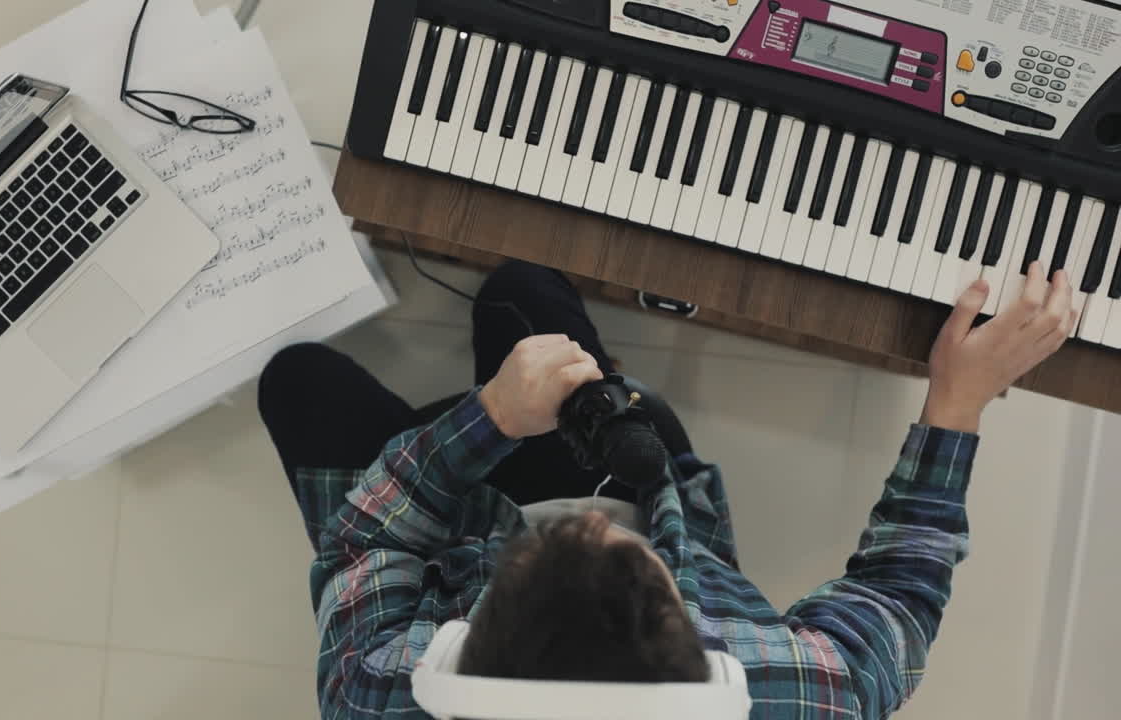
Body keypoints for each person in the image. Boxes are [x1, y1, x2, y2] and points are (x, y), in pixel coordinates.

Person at [258, 259, 1077, 719]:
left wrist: (492, 417)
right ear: (710, 660)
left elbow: (368, 542)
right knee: (527, 298)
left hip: (439, 546)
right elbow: (898, 601)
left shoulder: (378, 690)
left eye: (540, 561)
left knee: (296, 380)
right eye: (634, 558)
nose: (593, 522)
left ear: (456, 652)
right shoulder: (796, 691)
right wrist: (957, 402)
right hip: (621, 472)